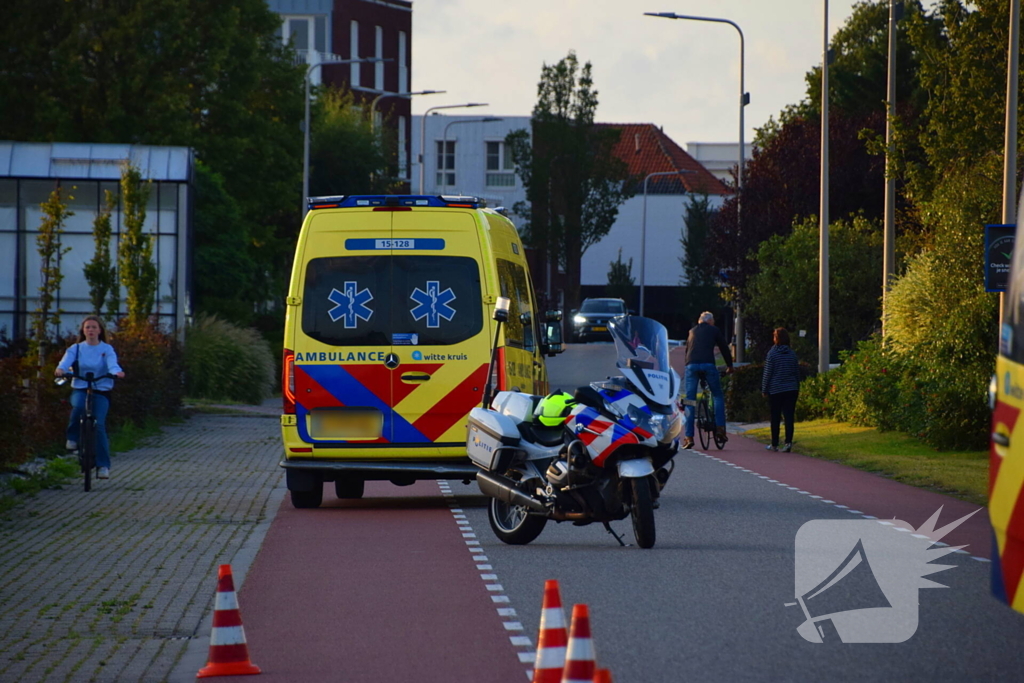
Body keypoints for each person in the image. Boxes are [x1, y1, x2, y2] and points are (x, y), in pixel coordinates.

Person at [55, 316, 125, 479]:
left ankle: (103, 466)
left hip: (100, 390)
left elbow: (112, 364)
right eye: (88, 327)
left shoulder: (106, 349)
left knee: (98, 425)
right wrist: (61, 369)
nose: (91, 330)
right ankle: (72, 438)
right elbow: (65, 362)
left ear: (100, 330)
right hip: (81, 387)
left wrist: (116, 372)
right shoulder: (76, 348)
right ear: (83, 331)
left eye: (94, 327)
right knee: (78, 407)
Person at [682, 311, 733, 449]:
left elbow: (688, 350)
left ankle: (688, 437)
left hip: (691, 365)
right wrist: (729, 365)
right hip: (708, 364)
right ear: (710, 321)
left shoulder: (691, 331)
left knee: (690, 400)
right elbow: (723, 347)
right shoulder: (714, 330)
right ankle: (720, 430)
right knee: (717, 395)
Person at [762, 327, 800, 452]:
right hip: (791, 388)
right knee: (789, 416)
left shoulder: (772, 354)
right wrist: (797, 386)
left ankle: (774, 444)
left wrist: (764, 389)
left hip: (776, 389)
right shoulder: (792, 354)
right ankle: (788, 443)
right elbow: (796, 372)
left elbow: (768, 373)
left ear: (776, 339)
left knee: (775, 417)